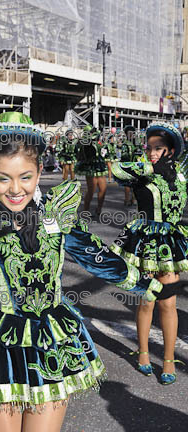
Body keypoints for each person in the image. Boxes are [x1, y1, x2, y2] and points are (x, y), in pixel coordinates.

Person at [0, 111, 162, 432]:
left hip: (52, 340)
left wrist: (148, 286)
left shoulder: (57, 215)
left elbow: (97, 257)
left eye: (25, 176)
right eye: (3, 178)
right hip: (0, 342)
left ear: (39, 171)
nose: (15, 189)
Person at [110, 122, 187, 385]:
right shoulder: (142, 172)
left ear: (172, 150)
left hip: (171, 245)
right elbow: (116, 171)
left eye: (159, 148)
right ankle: (143, 352)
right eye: (150, 147)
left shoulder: (182, 175)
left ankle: (167, 359)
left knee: (169, 303)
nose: (152, 152)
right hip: (145, 244)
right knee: (148, 300)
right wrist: (151, 167)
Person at [75, 126, 107, 217]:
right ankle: (86, 210)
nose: (93, 133)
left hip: (99, 166)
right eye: (91, 132)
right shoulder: (84, 143)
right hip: (90, 168)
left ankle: (99, 209)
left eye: (93, 132)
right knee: (91, 190)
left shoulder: (97, 141)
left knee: (103, 189)